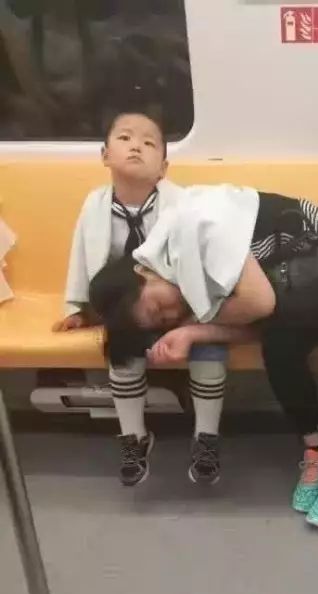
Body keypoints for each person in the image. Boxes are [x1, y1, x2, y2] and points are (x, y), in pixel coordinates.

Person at [88, 186, 318, 530]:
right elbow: (259, 326)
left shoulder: (197, 229)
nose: (171, 314)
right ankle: (317, 451)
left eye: (157, 307)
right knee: (278, 348)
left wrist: (191, 330)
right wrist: (190, 332)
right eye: (162, 321)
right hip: (306, 289)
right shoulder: (184, 280)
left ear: (143, 271)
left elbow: (259, 303)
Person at [53, 111, 227, 487]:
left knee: (208, 350)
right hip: (127, 307)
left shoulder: (181, 203)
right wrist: (77, 307)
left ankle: (206, 437)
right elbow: (81, 257)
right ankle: (134, 437)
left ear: (163, 167)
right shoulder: (94, 205)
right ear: (105, 155)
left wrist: (188, 310)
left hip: (179, 303)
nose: (136, 146)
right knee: (121, 349)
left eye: (149, 143)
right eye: (125, 138)